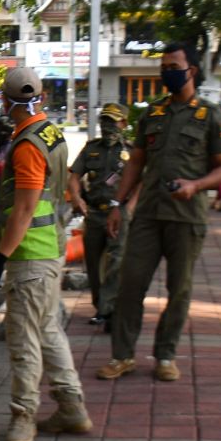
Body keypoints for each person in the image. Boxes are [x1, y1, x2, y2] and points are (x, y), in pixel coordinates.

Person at [96, 42, 221, 383]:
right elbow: (137, 163)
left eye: (173, 66)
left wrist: (196, 186)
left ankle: (165, 355)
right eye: (164, 68)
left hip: (186, 217)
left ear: (192, 70)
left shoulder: (211, 115)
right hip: (147, 215)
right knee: (130, 285)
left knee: (179, 289)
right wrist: (118, 203)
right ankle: (122, 355)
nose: (167, 73)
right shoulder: (152, 114)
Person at [0, 68, 92, 441]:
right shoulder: (52, 133)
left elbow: (25, 210)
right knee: (47, 329)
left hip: (30, 257)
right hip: (51, 250)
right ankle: (71, 405)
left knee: (22, 337)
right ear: (39, 97)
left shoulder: (27, 146)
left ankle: (23, 417)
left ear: (7, 102)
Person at [67, 103, 137, 329]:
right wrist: (77, 198)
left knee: (116, 262)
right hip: (95, 214)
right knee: (93, 265)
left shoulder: (131, 151)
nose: (108, 127)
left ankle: (109, 310)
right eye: (104, 121)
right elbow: (75, 175)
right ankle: (101, 306)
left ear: (123, 124)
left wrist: (131, 207)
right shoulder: (91, 149)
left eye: (113, 121)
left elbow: (142, 182)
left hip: (119, 214)